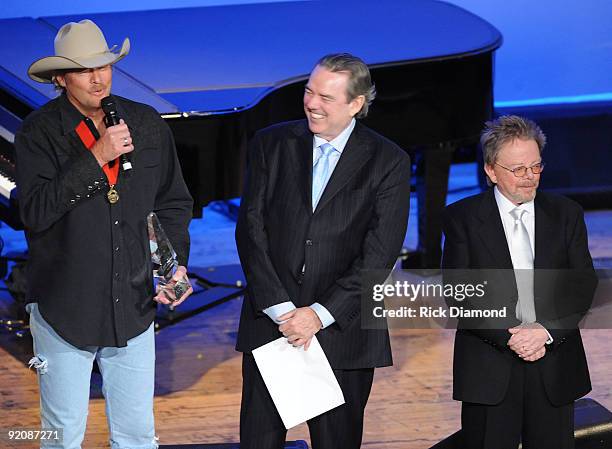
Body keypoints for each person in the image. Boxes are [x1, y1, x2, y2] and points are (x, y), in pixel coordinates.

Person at [16, 19, 193, 449]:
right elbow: (35, 213)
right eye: (83, 70)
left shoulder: (146, 124)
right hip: (65, 309)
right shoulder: (38, 134)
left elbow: (172, 203)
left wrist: (172, 267)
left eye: (104, 66)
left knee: (137, 437)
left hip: (132, 307)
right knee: (61, 437)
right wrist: (96, 156)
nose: (98, 78)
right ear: (61, 78)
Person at [235, 53, 411, 448]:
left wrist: (318, 315)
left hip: (342, 332)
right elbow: (250, 230)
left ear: (356, 104)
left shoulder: (388, 161)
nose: (312, 103)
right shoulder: (271, 143)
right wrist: (282, 309)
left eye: (326, 98)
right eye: (309, 92)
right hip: (273, 327)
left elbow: (379, 254)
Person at [442, 115, 598, 448]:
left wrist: (545, 331)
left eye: (535, 167)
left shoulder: (566, 213)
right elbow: (459, 294)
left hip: (554, 365)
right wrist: (511, 336)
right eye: (517, 170)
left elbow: (582, 284)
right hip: (489, 366)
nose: (529, 178)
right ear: (491, 170)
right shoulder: (462, 218)